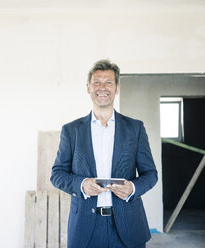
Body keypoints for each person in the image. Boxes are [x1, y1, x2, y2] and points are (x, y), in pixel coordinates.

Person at [50, 59, 158, 248]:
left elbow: (151, 174)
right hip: (85, 229)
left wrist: (132, 188)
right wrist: (82, 184)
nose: (102, 87)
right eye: (96, 82)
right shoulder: (71, 130)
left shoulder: (135, 128)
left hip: (128, 226)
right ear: (88, 88)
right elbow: (57, 174)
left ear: (116, 88)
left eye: (108, 82)